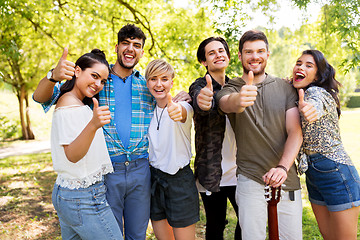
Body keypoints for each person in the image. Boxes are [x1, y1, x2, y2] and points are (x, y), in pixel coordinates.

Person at [33, 24, 189, 240]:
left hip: (140, 169)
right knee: (110, 230)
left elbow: (168, 101)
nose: (130, 49)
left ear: (142, 52)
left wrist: (184, 96)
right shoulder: (97, 80)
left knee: (136, 234)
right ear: (117, 47)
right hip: (108, 170)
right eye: (125, 43)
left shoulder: (147, 85)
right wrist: (52, 76)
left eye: (136, 45)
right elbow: (42, 98)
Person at [216, 30, 303, 240]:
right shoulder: (231, 88)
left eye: (260, 51)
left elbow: (295, 132)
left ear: (268, 54)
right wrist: (241, 98)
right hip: (250, 178)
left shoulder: (285, 88)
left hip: (286, 178)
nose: (255, 56)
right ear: (239, 55)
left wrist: (282, 167)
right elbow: (227, 103)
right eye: (248, 52)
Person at [50, 49, 123, 240]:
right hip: (83, 197)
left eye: (103, 81)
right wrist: (93, 124)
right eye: (94, 76)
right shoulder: (69, 105)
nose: (98, 84)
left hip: (69, 193)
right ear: (77, 71)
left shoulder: (74, 102)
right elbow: (72, 155)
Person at [293, 49, 360, 240]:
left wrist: (309, 109)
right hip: (313, 174)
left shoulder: (317, 93)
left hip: (336, 172)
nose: (301, 67)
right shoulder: (299, 92)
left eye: (309, 65)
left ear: (317, 76)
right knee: (329, 236)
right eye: (299, 63)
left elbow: (316, 104)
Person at [189, 37, 241, 240]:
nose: (218, 55)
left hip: (240, 170)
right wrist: (203, 101)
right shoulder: (200, 85)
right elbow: (200, 101)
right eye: (212, 53)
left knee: (247, 221)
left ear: (228, 56)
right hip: (211, 171)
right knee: (216, 224)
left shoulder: (237, 85)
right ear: (204, 62)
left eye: (221, 51)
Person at [145, 59, 199, 240]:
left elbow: (182, 114)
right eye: (153, 79)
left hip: (180, 181)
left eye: (164, 79)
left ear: (172, 82)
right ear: (147, 83)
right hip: (154, 180)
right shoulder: (147, 112)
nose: (159, 84)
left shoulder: (183, 105)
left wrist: (177, 110)